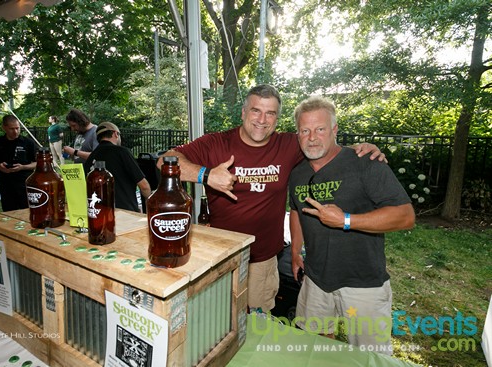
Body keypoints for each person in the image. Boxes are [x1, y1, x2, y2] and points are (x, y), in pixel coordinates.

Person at [157, 84, 384, 313]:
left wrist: (361, 149)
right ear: (244, 113)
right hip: (222, 256)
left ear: (277, 118)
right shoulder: (216, 143)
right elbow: (164, 160)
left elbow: (324, 147)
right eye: (256, 110)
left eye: (270, 113)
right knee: (218, 321)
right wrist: (205, 175)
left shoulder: (288, 145)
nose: (262, 119)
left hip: (262, 259)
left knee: (258, 321)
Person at [288, 96, 415, 355]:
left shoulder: (364, 162)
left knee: (372, 356)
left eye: (320, 129)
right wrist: (295, 252)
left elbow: (405, 216)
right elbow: (296, 211)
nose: (312, 137)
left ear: (334, 130)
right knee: (317, 348)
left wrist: (346, 220)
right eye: (305, 130)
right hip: (316, 279)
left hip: (362, 283)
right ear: (297, 134)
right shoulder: (297, 174)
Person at [84, 122, 151, 212]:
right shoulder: (122, 152)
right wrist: (149, 201)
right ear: (116, 134)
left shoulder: (91, 157)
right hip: (125, 211)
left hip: (99, 211)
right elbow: (144, 186)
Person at [0, 114, 36, 211]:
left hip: (24, 183)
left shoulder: (28, 143)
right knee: (9, 211)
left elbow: (37, 163)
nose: (15, 131)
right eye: (12, 129)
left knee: (28, 211)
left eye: (17, 128)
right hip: (6, 184)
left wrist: (23, 167)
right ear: (4, 128)